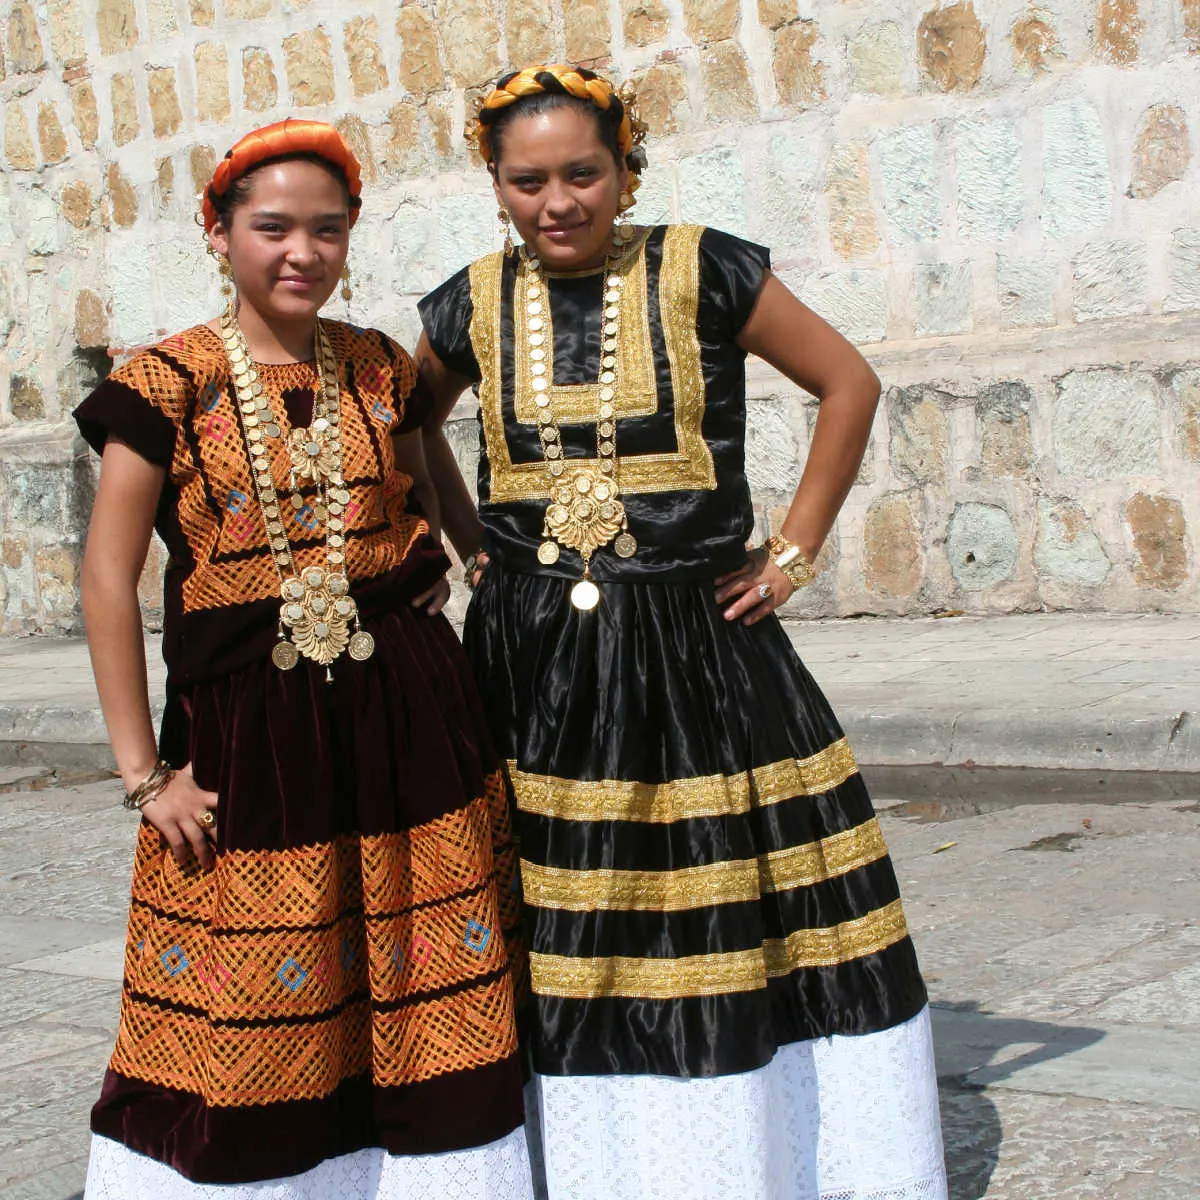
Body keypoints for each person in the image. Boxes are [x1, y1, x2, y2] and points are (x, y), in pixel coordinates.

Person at [415, 66, 948, 1200]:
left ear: (625, 169)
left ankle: (743, 1155)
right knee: (552, 909)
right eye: (527, 180)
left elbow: (846, 381)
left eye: (581, 174)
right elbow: (398, 420)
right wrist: (463, 541)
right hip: (531, 663)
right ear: (495, 185)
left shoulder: (706, 266)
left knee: (726, 898)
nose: (556, 201)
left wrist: (794, 554)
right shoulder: (466, 299)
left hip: (697, 649)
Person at [73, 119, 533, 1199]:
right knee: (263, 981)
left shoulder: (377, 367)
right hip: (251, 737)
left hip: (408, 716)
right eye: (272, 227)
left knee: (420, 976)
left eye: (327, 230)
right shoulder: (166, 384)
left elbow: (423, 484)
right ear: (220, 234)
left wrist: (459, 560)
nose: (302, 253)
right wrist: (144, 773)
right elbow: (107, 578)